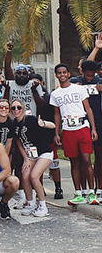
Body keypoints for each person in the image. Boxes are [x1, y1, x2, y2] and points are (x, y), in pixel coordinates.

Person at [50, 63, 98, 205]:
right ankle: (78, 193)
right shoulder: (55, 94)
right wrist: (57, 133)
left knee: (87, 160)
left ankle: (91, 193)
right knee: (74, 162)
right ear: (56, 75)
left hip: (82, 126)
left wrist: (93, 128)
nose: (62, 75)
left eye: (65, 72)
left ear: (69, 74)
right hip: (68, 129)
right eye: (59, 73)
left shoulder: (79, 89)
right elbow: (57, 115)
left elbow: (88, 109)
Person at [11, 99, 56, 216]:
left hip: (44, 152)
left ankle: (43, 206)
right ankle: (30, 203)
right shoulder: (14, 124)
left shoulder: (31, 119)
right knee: (24, 175)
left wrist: (43, 124)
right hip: (31, 155)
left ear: (23, 109)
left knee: (34, 176)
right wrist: (26, 159)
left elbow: (53, 125)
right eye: (13, 108)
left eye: (19, 107)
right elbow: (19, 143)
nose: (16, 110)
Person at [71, 49, 102, 201]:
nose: (89, 78)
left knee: (99, 157)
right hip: (80, 124)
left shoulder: (99, 81)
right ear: (82, 72)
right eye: (87, 75)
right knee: (83, 159)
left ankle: (99, 189)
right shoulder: (75, 82)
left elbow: (91, 64)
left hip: (98, 122)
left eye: (92, 75)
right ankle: (83, 190)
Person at [3, 42, 40, 117]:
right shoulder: (9, 84)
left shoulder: (34, 84)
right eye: (19, 73)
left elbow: (42, 104)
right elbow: (7, 66)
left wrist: (34, 90)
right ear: (15, 74)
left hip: (30, 119)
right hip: (13, 120)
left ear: (28, 75)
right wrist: (9, 51)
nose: (21, 75)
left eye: (24, 73)